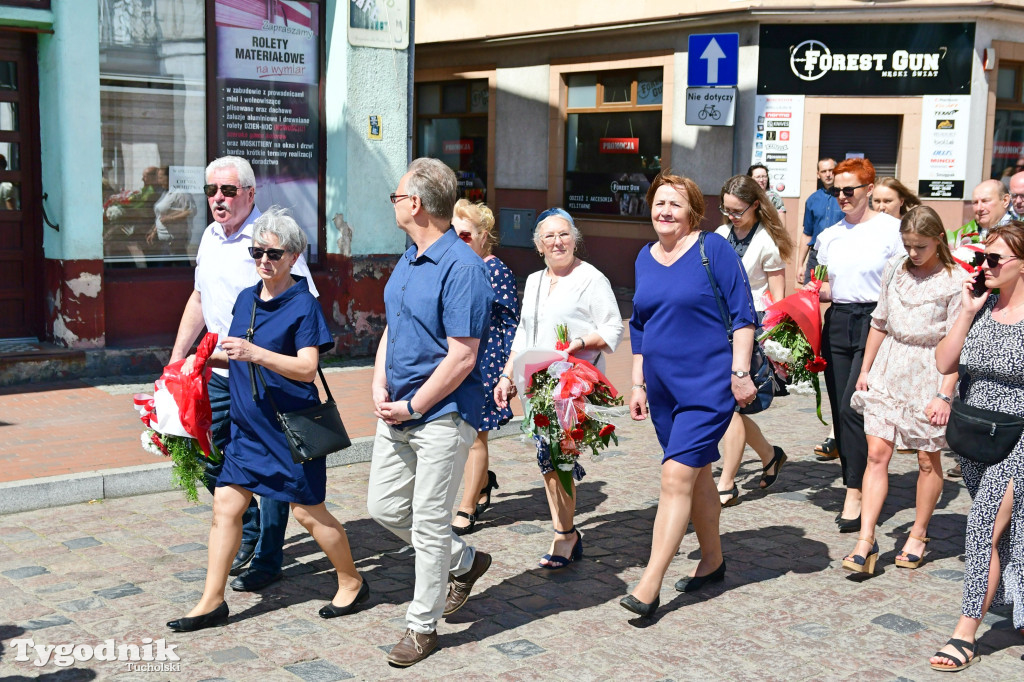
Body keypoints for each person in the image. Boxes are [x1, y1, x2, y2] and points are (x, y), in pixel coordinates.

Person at [167, 207, 366, 632]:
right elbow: (235, 349)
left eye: (272, 253)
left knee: (310, 515)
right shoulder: (245, 299)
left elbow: (306, 368)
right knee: (226, 506)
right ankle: (211, 600)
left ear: (294, 256)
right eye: (257, 252)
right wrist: (198, 359)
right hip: (248, 426)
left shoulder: (303, 305)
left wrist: (255, 354)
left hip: (288, 429)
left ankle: (351, 580)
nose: (263, 260)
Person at [366, 158, 495, 667]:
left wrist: (414, 404)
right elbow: (393, 328)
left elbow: (462, 355)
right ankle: (463, 561)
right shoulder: (409, 257)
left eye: (397, 197)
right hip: (397, 409)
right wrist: (379, 383)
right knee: (385, 508)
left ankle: (422, 627)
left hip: (441, 414)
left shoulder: (463, 268)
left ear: (415, 203)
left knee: (428, 523)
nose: (395, 204)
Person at [170, 155, 317, 593]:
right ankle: (245, 525)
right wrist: (178, 358)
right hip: (216, 375)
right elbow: (199, 297)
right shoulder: (212, 237)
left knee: (273, 469)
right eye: (211, 190)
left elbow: (301, 301)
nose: (218, 198)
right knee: (199, 451)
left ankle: (268, 556)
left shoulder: (269, 239)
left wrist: (267, 356)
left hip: (263, 380)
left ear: (250, 194)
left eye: (228, 190)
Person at [619, 171, 757, 619]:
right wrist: (637, 382)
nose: (665, 212)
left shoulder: (711, 248)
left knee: (675, 477)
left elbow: (742, 316)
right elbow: (640, 325)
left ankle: (649, 583)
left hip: (707, 385)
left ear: (693, 210)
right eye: (659, 203)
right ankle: (713, 560)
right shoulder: (645, 256)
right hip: (662, 390)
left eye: (675, 204)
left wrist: (739, 373)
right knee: (696, 475)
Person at [493, 208, 623, 568]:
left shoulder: (591, 279)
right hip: (537, 385)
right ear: (538, 246)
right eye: (549, 236)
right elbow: (523, 332)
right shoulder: (534, 280)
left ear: (574, 239)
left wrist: (579, 342)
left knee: (559, 459)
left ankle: (564, 535)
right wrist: (507, 376)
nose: (557, 242)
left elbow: (612, 329)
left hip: (571, 385)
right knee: (548, 461)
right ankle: (566, 531)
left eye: (564, 234)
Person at [843, 207, 966, 574]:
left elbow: (957, 343)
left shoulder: (955, 280)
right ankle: (866, 539)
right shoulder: (894, 268)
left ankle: (918, 532)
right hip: (889, 366)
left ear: (939, 240)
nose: (913, 253)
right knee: (877, 453)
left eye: (921, 246)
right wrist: (865, 370)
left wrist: (944, 394)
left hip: (931, 369)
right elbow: (879, 322)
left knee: (927, 458)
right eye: (908, 244)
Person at [929, 221, 1024, 671]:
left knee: (983, 526)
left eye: (995, 260)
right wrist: (967, 311)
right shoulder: (981, 307)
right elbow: (945, 361)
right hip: (975, 435)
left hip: (1019, 436)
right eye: (983, 258)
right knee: (1009, 529)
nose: (985, 267)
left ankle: (964, 632)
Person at [812, 157, 903, 533]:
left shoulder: (891, 230)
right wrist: (810, 296)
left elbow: (901, 281)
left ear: (869, 190)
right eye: (836, 191)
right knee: (840, 407)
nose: (842, 197)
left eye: (850, 190)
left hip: (875, 322)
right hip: (838, 321)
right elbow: (826, 285)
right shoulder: (829, 235)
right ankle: (857, 481)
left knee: (855, 406)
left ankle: (856, 489)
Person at [714, 175, 794, 506]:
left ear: (755, 206)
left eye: (737, 211)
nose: (731, 216)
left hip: (753, 326)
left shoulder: (767, 243)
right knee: (726, 406)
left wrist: (777, 345)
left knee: (729, 405)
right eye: (726, 210)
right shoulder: (720, 235)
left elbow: (778, 299)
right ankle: (770, 454)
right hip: (719, 327)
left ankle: (727, 482)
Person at [450, 199, 519, 535]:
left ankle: (466, 507)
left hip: (487, 363)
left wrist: (508, 372)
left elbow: (509, 325)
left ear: (482, 235)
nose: (457, 240)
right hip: (459, 360)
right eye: (454, 234)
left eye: (465, 235)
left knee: (474, 435)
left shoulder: (496, 270)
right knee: (471, 434)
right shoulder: (457, 266)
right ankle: (481, 484)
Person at [797, 157, 843, 286]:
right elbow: (807, 234)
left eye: (831, 170)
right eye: (823, 171)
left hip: (839, 254)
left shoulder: (846, 197)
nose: (828, 174)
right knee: (809, 296)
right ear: (818, 174)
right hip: (816, 256)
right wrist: (800, 265)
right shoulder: (812, 200)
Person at [147, 167, 197, 256]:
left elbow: (191, 210)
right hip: (163, 241)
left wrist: (171, 218)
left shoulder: (180, 193)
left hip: (174, 241)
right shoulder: (165, 193)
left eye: (161, 177)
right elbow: (160, 215)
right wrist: (154, 232)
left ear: (169, 177)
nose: (158, 181)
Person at [946, 180, 1011, 247]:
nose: (979, 208)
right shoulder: (961, 235)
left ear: (1005, 200)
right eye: (975, 202)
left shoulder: (1020, 231)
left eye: (985, 201)